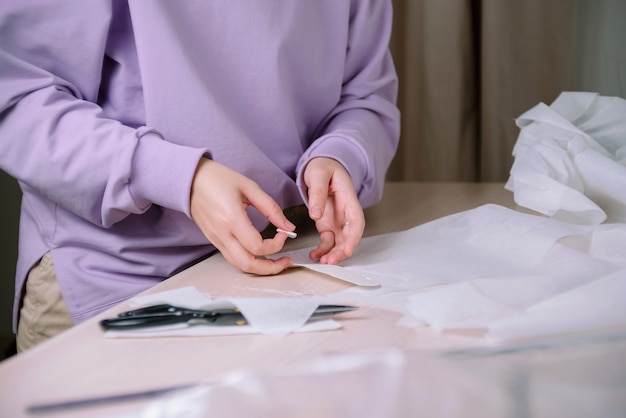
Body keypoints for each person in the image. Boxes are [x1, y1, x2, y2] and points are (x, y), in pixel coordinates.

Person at [0, 1, 400, 352]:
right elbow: (18, 100)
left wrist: (340, 153)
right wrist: (177, 178)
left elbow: (366, 92)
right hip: (121, 279)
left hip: (293, 264)